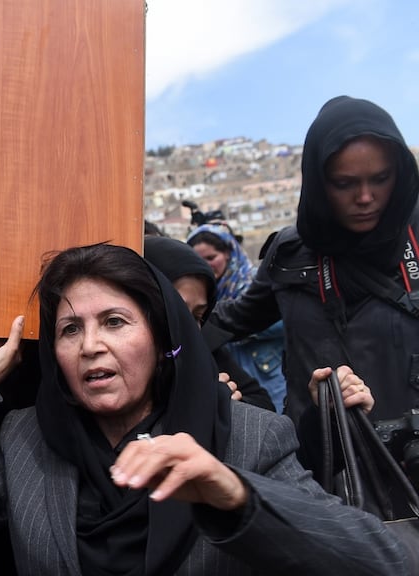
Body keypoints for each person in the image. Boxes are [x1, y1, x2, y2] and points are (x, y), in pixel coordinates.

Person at [0, 243, 413, 575]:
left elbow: (385, 559)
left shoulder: (249, 437)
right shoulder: (29, 438)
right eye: (70, 330)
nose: (90, 346)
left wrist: (234, 494)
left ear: (160, 337)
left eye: (114, 321)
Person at [210, 95, 419, 425]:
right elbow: (232, 321)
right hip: (324, 462)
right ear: (319, 183)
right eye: (344, 183)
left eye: (380, 179)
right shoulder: (290, 253)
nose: (365, 197)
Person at [144, 235, 274, 411]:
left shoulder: (204, 347)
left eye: (198, 316)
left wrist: (228, 406)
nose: (188, 327)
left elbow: (262, 404)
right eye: (177, 311)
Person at [188, 224, 288, 411]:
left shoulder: (253, 280)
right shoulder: (204, 293)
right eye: (199, 260)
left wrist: (238, 330)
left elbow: (283, 320)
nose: (206, 265)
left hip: (267, 373)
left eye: (211, 258)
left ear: (228, 253)